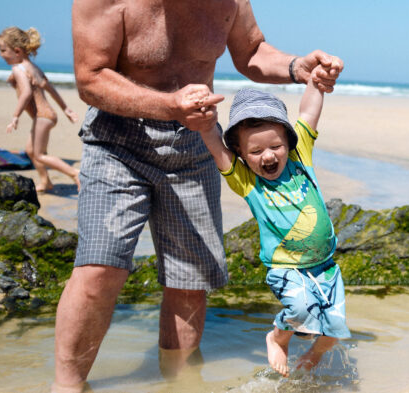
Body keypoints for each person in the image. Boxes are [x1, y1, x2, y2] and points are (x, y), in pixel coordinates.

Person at [52, 1, 343, 391]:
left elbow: (252, 52)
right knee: (101, 268)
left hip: (196, 142)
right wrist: (168, 105)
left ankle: (179, 382)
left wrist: (296, 68)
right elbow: (90, 78)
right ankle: (68, 386)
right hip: (117, 142)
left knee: (190, 279)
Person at [194, 66, 350, 377]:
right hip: (286, 268)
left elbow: (308, 113)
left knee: (335, 331)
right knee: (301, 311)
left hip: (326, 266)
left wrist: (315, 83)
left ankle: (313, 356)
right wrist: (204, 124)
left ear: (289, 144)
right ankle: (277, 338)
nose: (268, 156)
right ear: (240, 153)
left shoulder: (300, 159)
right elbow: (215, 146)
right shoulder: (247, 182)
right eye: (255, 150)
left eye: (275, 146)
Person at [0, 27, 80, 192]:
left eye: (3, 50)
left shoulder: (18, 69)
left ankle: (75, 173)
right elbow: (48, 87)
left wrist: (15, 116)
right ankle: (45, 181)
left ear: (17, 51)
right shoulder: (32, 67)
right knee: (31, 150)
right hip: (46, 115)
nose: (1, 54)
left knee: (39, 154)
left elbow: (26, 93)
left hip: (42, 116)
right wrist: (66, 108)